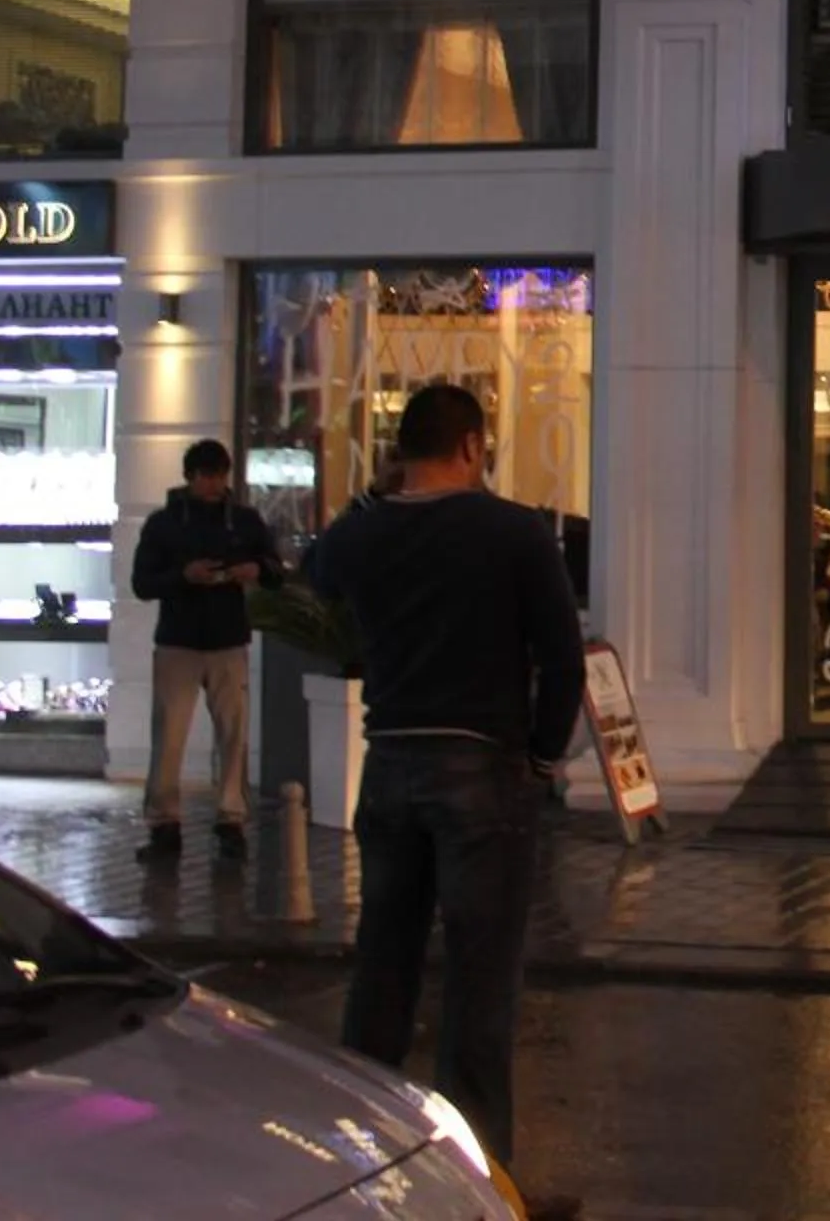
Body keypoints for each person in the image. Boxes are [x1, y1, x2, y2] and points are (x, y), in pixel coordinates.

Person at [304, 384, 584, 1202]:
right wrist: (541, 757)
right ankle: (480, 1184)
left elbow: (314, 570)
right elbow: (562, 657)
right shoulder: (511, 530)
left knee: (382, 969)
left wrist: (372, 497)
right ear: (470, 446)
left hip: (389, 762)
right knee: (479, 979)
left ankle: (364, 1173)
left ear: (401, 452)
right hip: (481, 766)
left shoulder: (367, 531)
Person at [129, 439, 282, 862]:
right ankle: (164, 823)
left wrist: (256, 570)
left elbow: (275, 569)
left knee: (232, 734)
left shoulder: (245, 521)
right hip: (179, 641)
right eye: (207, 476)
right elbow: (142, 583)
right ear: (190, 476)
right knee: (170, 735)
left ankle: (230, 820)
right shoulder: (164, 524)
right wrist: (184, 575)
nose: (215, 484)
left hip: (228, 640)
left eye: (220, 475)